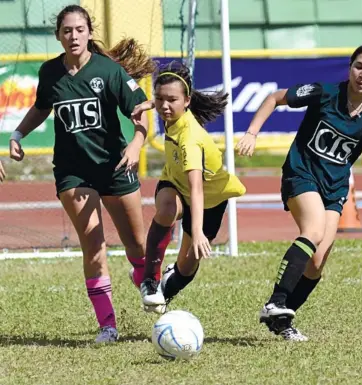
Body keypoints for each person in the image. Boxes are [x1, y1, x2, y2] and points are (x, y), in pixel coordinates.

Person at [8, 5, 155, 343]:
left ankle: (145, 279)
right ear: (58, 35)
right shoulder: (49, 73)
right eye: (66, 31)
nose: (73, 36)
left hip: (115, 167)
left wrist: (135, 144)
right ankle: (108, 326)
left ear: (89, 32)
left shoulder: (110, 71)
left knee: (137, 246)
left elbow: (139, 113)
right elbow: (42, 107)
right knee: (94, 245)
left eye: (79, 29)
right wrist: (17, 135)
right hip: (73, 174)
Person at [236, 42, 362, 341]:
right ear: (350, 67)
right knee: (312, 231)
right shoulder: (324, 92)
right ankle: (276, 300)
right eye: (358, 66)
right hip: (301, 174)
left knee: (318, 261)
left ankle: (282, 320)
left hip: (335, 188)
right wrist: (251, 132)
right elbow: (274, 97)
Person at [130, 63, 246, 314]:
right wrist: (148, 104)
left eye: (172, 100)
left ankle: (162, 292)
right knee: (167, 207)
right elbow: (162, 100)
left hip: (209, 200)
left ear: (187, 101)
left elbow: (197, 190)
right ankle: (148, 279)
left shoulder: (190, 139)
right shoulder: (170, 110)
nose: (164, 106)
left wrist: (197, 231)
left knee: (187, 267)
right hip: (174, 184)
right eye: (159, 99)